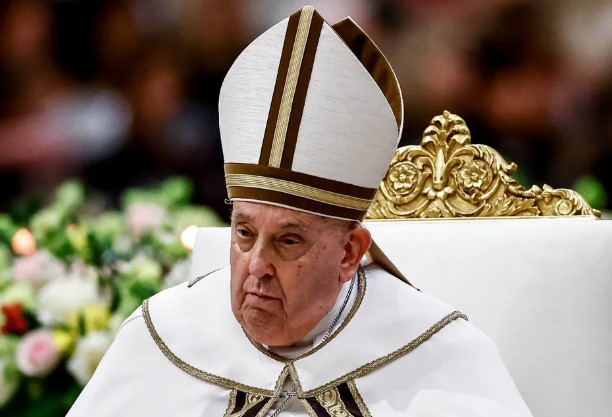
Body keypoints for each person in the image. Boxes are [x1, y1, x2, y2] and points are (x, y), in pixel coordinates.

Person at [67, 6, 533, 416]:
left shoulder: (437, 358)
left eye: (288, 241)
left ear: (350, 253)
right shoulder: (163, 336)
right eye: (244, 234)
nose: (257, 267)